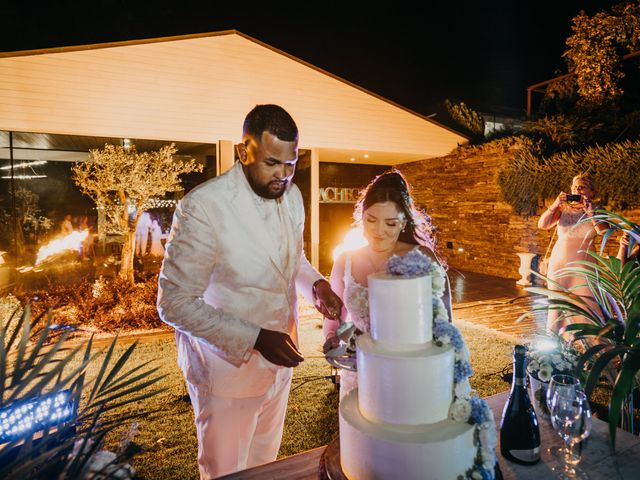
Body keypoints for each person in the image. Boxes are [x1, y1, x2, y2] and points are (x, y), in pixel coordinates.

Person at [157, 104, 343, 479]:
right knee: (227, 472)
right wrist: (256, 338)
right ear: (244, 151)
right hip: (225, 370)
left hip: (279, 364)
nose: (283, 175)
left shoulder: (292, 197)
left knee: (265, 467)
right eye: (272, 163)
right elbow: (173, 303)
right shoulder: (203, 207)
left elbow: (293, 260)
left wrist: (317, 284)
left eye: (290, 164)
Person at [322, 169, 452, 400]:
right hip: (359, 366)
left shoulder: (421, 258)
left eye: (390, 224)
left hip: (408, 369)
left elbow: (444, 321)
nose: (379, 232)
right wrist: (331, 337)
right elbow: (334, 314)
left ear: (404, 223)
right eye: (371, 220)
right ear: (362, 217)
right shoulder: (346, 260)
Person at [537, 173, 607, 334]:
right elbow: (542, 224)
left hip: (584, 265)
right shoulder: (563, 208)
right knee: (557, 305)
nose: (577, 189)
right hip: (559, 263)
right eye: (575, 187)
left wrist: (590, 212)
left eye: (582, 187)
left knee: (588, 305)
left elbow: (604, 232)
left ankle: (594, 349)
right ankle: (556, 349)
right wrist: (555, 204)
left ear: (592, 192)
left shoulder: (598, 210)